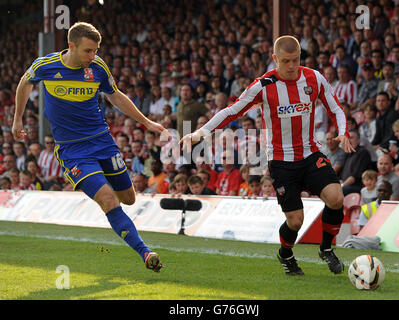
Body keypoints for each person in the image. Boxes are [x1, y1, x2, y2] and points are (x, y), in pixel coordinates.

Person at [180, 35, 354, 276]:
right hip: (281, 161)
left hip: (310, 153)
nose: (292, 66)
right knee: (295, 221)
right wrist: (200, 132)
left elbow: (335, 107)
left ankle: (326, 248)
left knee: (336, 198)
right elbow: (231, 112)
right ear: (275, 59)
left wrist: (344, 132)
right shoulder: (263, 86)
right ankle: (286, 254)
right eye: (286, 61)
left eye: (295, 60)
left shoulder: (314, 78)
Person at [13, 22, 167, 272]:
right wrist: (18, 118)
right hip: (73, 151)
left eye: (95, 50)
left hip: (103, 142)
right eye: (88, 51)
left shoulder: (97, 67)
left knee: (128, 199)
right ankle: (145, 252)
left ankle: (106, 197)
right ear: (71, 46)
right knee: (109, 200)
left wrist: (146, 122)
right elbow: (24, 82)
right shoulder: (46, 65)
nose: (92, 56)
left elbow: (115, 95)